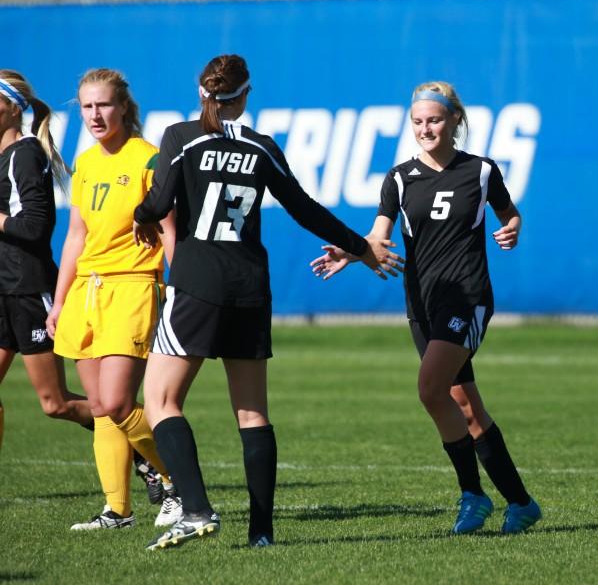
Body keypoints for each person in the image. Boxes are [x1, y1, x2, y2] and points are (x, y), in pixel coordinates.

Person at [134, 54, 401, 551]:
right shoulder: (261, 147)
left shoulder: (179, 137)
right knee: (252, 412)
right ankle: (262, 533)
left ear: (202, 93)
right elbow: (304, 209)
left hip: (196, 285)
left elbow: (158, 203)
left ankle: (194, 508)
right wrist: (362, 249)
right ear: (245, 96)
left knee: (160, 401)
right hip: (249, 289)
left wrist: (140, 212)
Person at [311, 81, 542, 535]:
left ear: (456, 120)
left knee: (430, 388)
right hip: (422, 304)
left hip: (468, 298)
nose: (425, 129)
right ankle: (520, 502)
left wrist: (512, 229)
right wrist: (352, 252)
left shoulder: (480, 170)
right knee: (466, 408)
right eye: (417, 122)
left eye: (434, 119)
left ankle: (472, 496)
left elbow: (509, 214)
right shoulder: (399, 178)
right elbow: (379, 236)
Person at [46, 68, 181, 531]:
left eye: (103, 104)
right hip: (88, 290)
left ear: (124, 106)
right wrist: (61, 302)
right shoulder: (83, 163)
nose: (95, 114)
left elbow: (169, 233)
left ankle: (177, 483)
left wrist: (178, 288)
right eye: (87, 106)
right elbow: (76, 236)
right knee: (101, 407)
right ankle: (117, 510)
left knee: (120, 401)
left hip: (134, 285)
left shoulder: (148, 158)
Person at [0, 70, 92, 449]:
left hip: (27, 288)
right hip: (4, 289)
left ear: (9, 108)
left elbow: (36, 227)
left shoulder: (23, 155)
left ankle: (147, 450)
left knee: (55, 403)